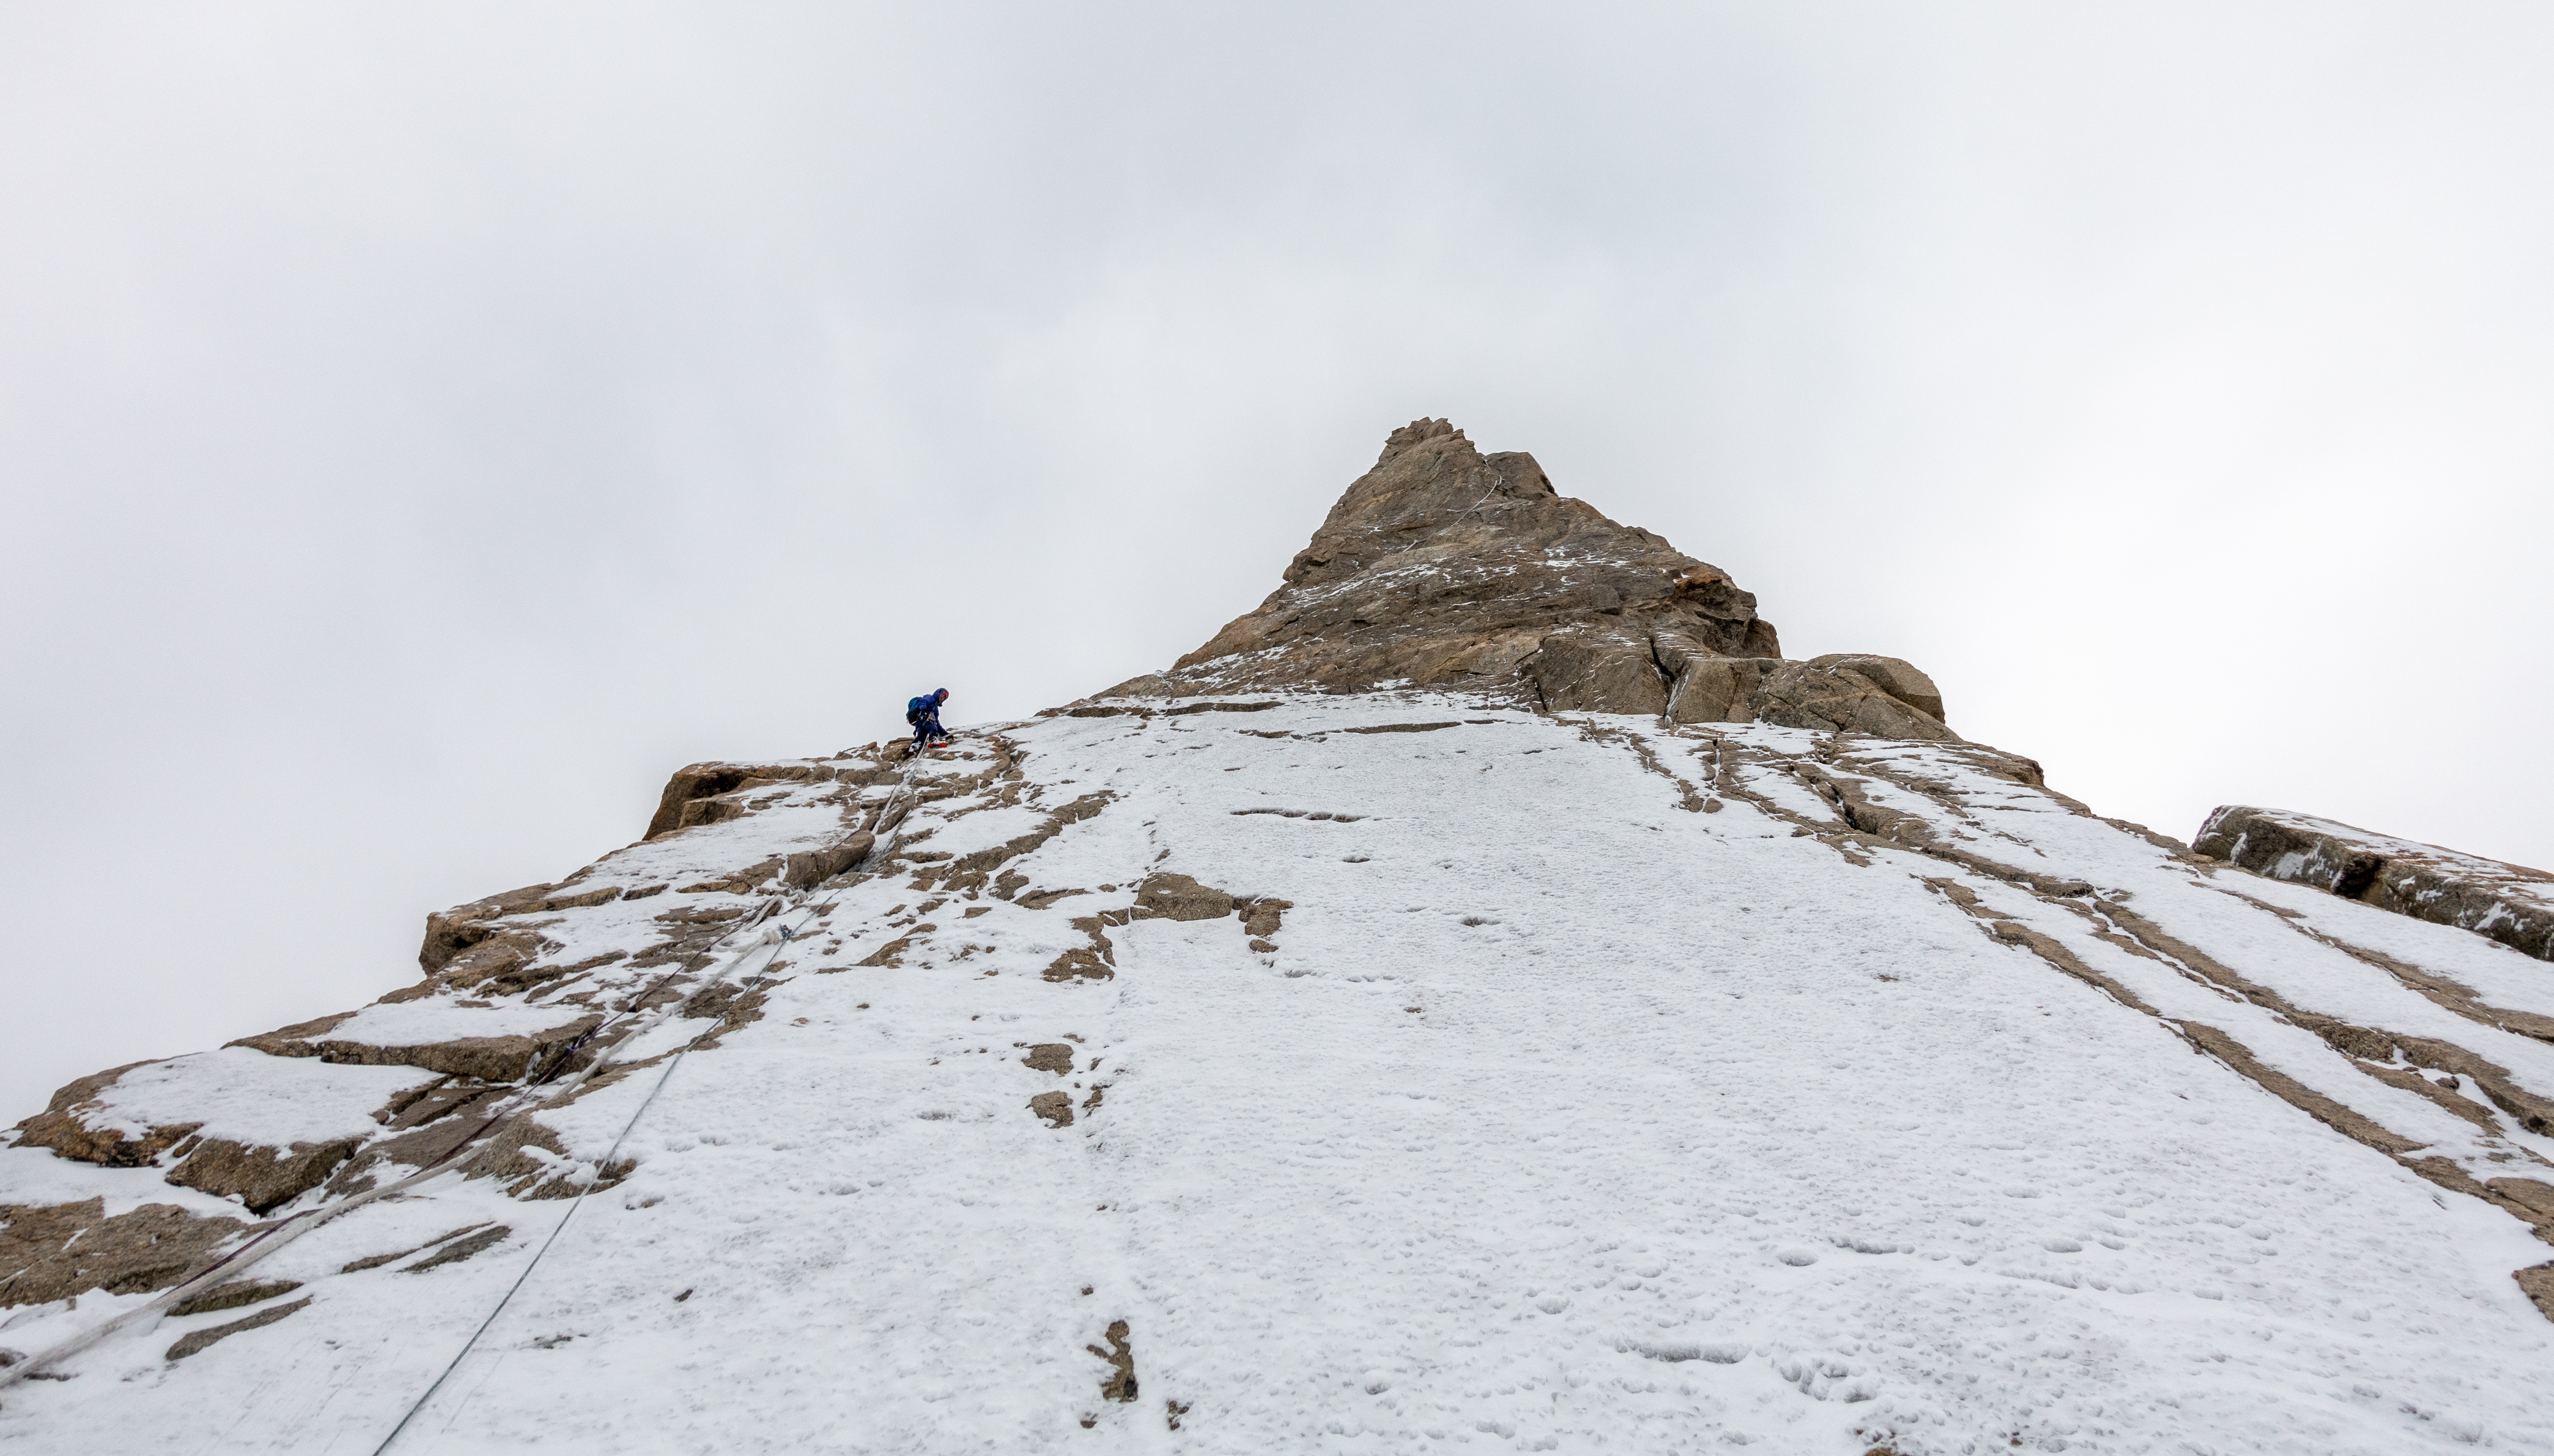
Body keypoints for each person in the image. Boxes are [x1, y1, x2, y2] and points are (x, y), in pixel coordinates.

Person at [905, 688, 950, 756]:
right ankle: (933, 739)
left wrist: (946, 735)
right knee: (932, 722)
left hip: (919, 721)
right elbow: (924, 702)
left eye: (944, 697)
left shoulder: (936, 710)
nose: (943, 698)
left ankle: (914, 747)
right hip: (923, 716)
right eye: (943, 695)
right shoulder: (931, 698)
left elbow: (937, 725)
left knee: (922, 735)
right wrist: (923, 710)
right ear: (938, 693)